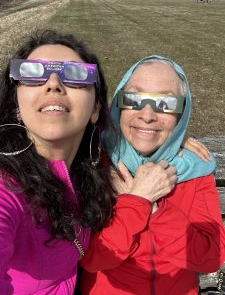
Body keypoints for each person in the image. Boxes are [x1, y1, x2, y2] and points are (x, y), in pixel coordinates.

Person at [80, 55, 225, 295]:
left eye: (166, 104)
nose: (147, 115)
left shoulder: (193, 168)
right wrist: (137, 202)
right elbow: (93, 259)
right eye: (134, 99)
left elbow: (211, 257)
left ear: (182, 113)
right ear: (118, 105)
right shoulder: (94, 160)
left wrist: (155, 210)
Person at [0, 29, 119, 294]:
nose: (53, 83)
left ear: (96, 109)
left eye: (76, 75)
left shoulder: (88, 164)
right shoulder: (7, 185)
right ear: (17, 106)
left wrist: (173, 135)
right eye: (32, 73)